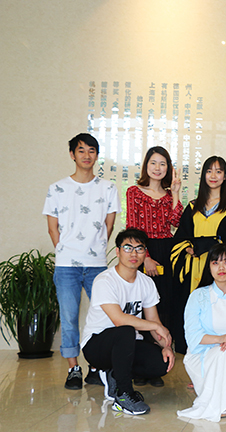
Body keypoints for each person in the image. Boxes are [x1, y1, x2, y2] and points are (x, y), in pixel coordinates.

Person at [43, 133, 121, 390]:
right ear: (72, 154)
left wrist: (94, 248)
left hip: (97, 263)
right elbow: (52, 227)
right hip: (66, 265)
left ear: (97, 155)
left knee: (104, 316)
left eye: (91, 150)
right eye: (81, 150)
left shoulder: (108, 188)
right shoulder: (57, 188)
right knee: (69, 317)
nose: (87, 155)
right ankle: (73, 368)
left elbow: (109, 226)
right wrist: (65, 250)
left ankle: (97, 366)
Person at [81, 228, 175, 416]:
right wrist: (156, 326)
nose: (134, 254)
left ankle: (114, 374)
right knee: (126, 330)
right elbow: (119, 319)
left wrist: (166, 346)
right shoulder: (105, 280)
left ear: (145, 253)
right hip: (96, 346)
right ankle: (123, 395)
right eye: (128, 248)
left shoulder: (146, 282)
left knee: (161, 363)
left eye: (139, 249)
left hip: (127, 344)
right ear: (117, 251)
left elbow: (153, 321)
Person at [170, 155, 226, 353]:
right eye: (209, 171)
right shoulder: (193, 206)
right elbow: (180, 237)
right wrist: (187, 247)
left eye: (218, 171)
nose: (213, 176)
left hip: (218, 268)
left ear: (225, 176)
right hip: (192, 267)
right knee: (190, 308)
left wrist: (203, 245)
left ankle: (216, 347)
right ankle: (189, 348)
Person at [177, 243, 226, 422]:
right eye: (215, 263)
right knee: (223, 351)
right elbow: (192, 336)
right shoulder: (198, 296)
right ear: (209, 267)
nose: (221, 268)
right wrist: (221, 339)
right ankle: (223, 402)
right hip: (201, 355)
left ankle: (221, 401)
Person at [126, 146, 182, 384]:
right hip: (143, 252)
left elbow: (176, 222)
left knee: (164, 307)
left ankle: (158, 366)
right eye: (153, 163)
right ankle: (140, 367)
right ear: (146, 166)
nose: (158, 168)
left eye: (163, 164)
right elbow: (132, 228)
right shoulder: (134, 192)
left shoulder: (169, 196)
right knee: (142, 308)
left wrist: (176, 194)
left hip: (167, 251)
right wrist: (145, 256)